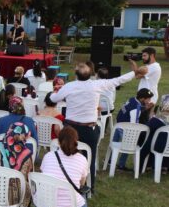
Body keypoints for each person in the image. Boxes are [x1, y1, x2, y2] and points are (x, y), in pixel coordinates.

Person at [49, 62, 145, 193]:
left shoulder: (69, 86)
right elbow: (118, 80)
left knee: (67, 155)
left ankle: (69, 184)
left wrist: (55, 91)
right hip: (88, 129)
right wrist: (134, 73)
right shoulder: (96, 84)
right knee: (90, 158)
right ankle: (90, 187)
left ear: (76, 74)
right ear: (91, 74)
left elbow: (54, 98)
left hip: (70, 128)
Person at [40, 126, 91, 207]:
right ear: (76, 141)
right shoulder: (82, 159)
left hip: (45, 204)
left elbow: (44, 177)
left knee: (54, 194)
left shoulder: (48, 156)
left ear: (58, 141)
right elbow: (81, 184)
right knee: (81, 197)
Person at [113, 88, 154, 170]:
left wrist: (145, 108)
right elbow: (133, 126)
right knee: (132, 139)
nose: (149, 101)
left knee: (115, 144)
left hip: (118, 125)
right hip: (125, 129)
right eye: (148, 99)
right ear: (142, 98)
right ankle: (121, 165)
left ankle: (110, 160)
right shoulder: (136, 109)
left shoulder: (132, 99)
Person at [141, 99, 169, 171]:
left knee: (148, 140)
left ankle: (143, 166)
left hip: (159, 147)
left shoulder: (156, 121)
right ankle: (164, 167)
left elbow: (144, 132)